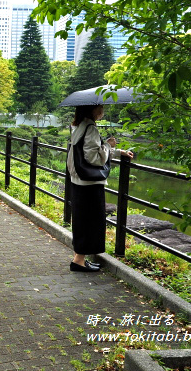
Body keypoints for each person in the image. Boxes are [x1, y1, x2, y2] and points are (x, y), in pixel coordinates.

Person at [66, 104, 134, 272]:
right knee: (90, 220)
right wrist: (109, 145)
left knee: (82, 219)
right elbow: (93, 157)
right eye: (100, 107)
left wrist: (117, 151)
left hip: (78, 180)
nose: (102, 110)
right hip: (89, 183)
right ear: (93, 109)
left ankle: (79, 258)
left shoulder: (78, 125)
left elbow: (89, 150)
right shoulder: (90, 128)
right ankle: (79, 261)